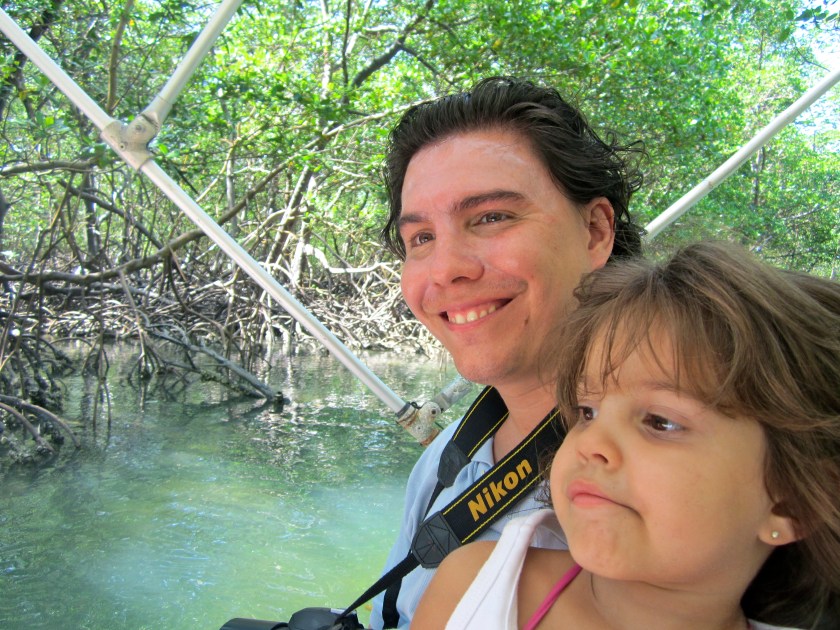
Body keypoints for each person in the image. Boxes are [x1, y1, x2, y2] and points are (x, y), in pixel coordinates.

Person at [412, 241, 840, 630]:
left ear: (791, 504)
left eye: (661, 422)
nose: (589, 444)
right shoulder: (475, 585)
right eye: (587, 412)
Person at [368, 76, 645, 628]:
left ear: (595, 231)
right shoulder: (449, 455)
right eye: (422, 238)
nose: (446, 269)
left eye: (492, 217)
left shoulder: (664, 475)